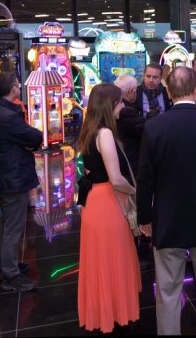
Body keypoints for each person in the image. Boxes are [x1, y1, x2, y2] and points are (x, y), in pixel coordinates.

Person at [137, 67, 196, 335]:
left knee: (167, 291)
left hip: (167, 219)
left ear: (169, 92)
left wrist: (144, 218)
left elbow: (145, 179)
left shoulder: (154, 127)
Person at [76, 84, 141, 334]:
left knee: (100, 262)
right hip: (108, 203)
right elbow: (116, 179)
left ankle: (104, 311)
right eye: (120, 102)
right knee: (114, 259)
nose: (123, 106)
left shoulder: (89, 130)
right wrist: (135, 191)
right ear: (110, 105)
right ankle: (116, 312)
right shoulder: (104, 133)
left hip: (95, 201)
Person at [0, 73, 43, 292]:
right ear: (14, 89)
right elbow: (35, 136)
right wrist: (29, 141)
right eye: (18, 85)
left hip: (9, 174)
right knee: (12, 227)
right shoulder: (6, 116)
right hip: (12, 177)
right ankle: (10, 275)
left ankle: (8, 266)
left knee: (8, 225)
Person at [114, 74, 145, 178]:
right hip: (130, 159)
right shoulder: (126, 111)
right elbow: (144, 130)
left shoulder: (114, 106)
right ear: (131, 91)